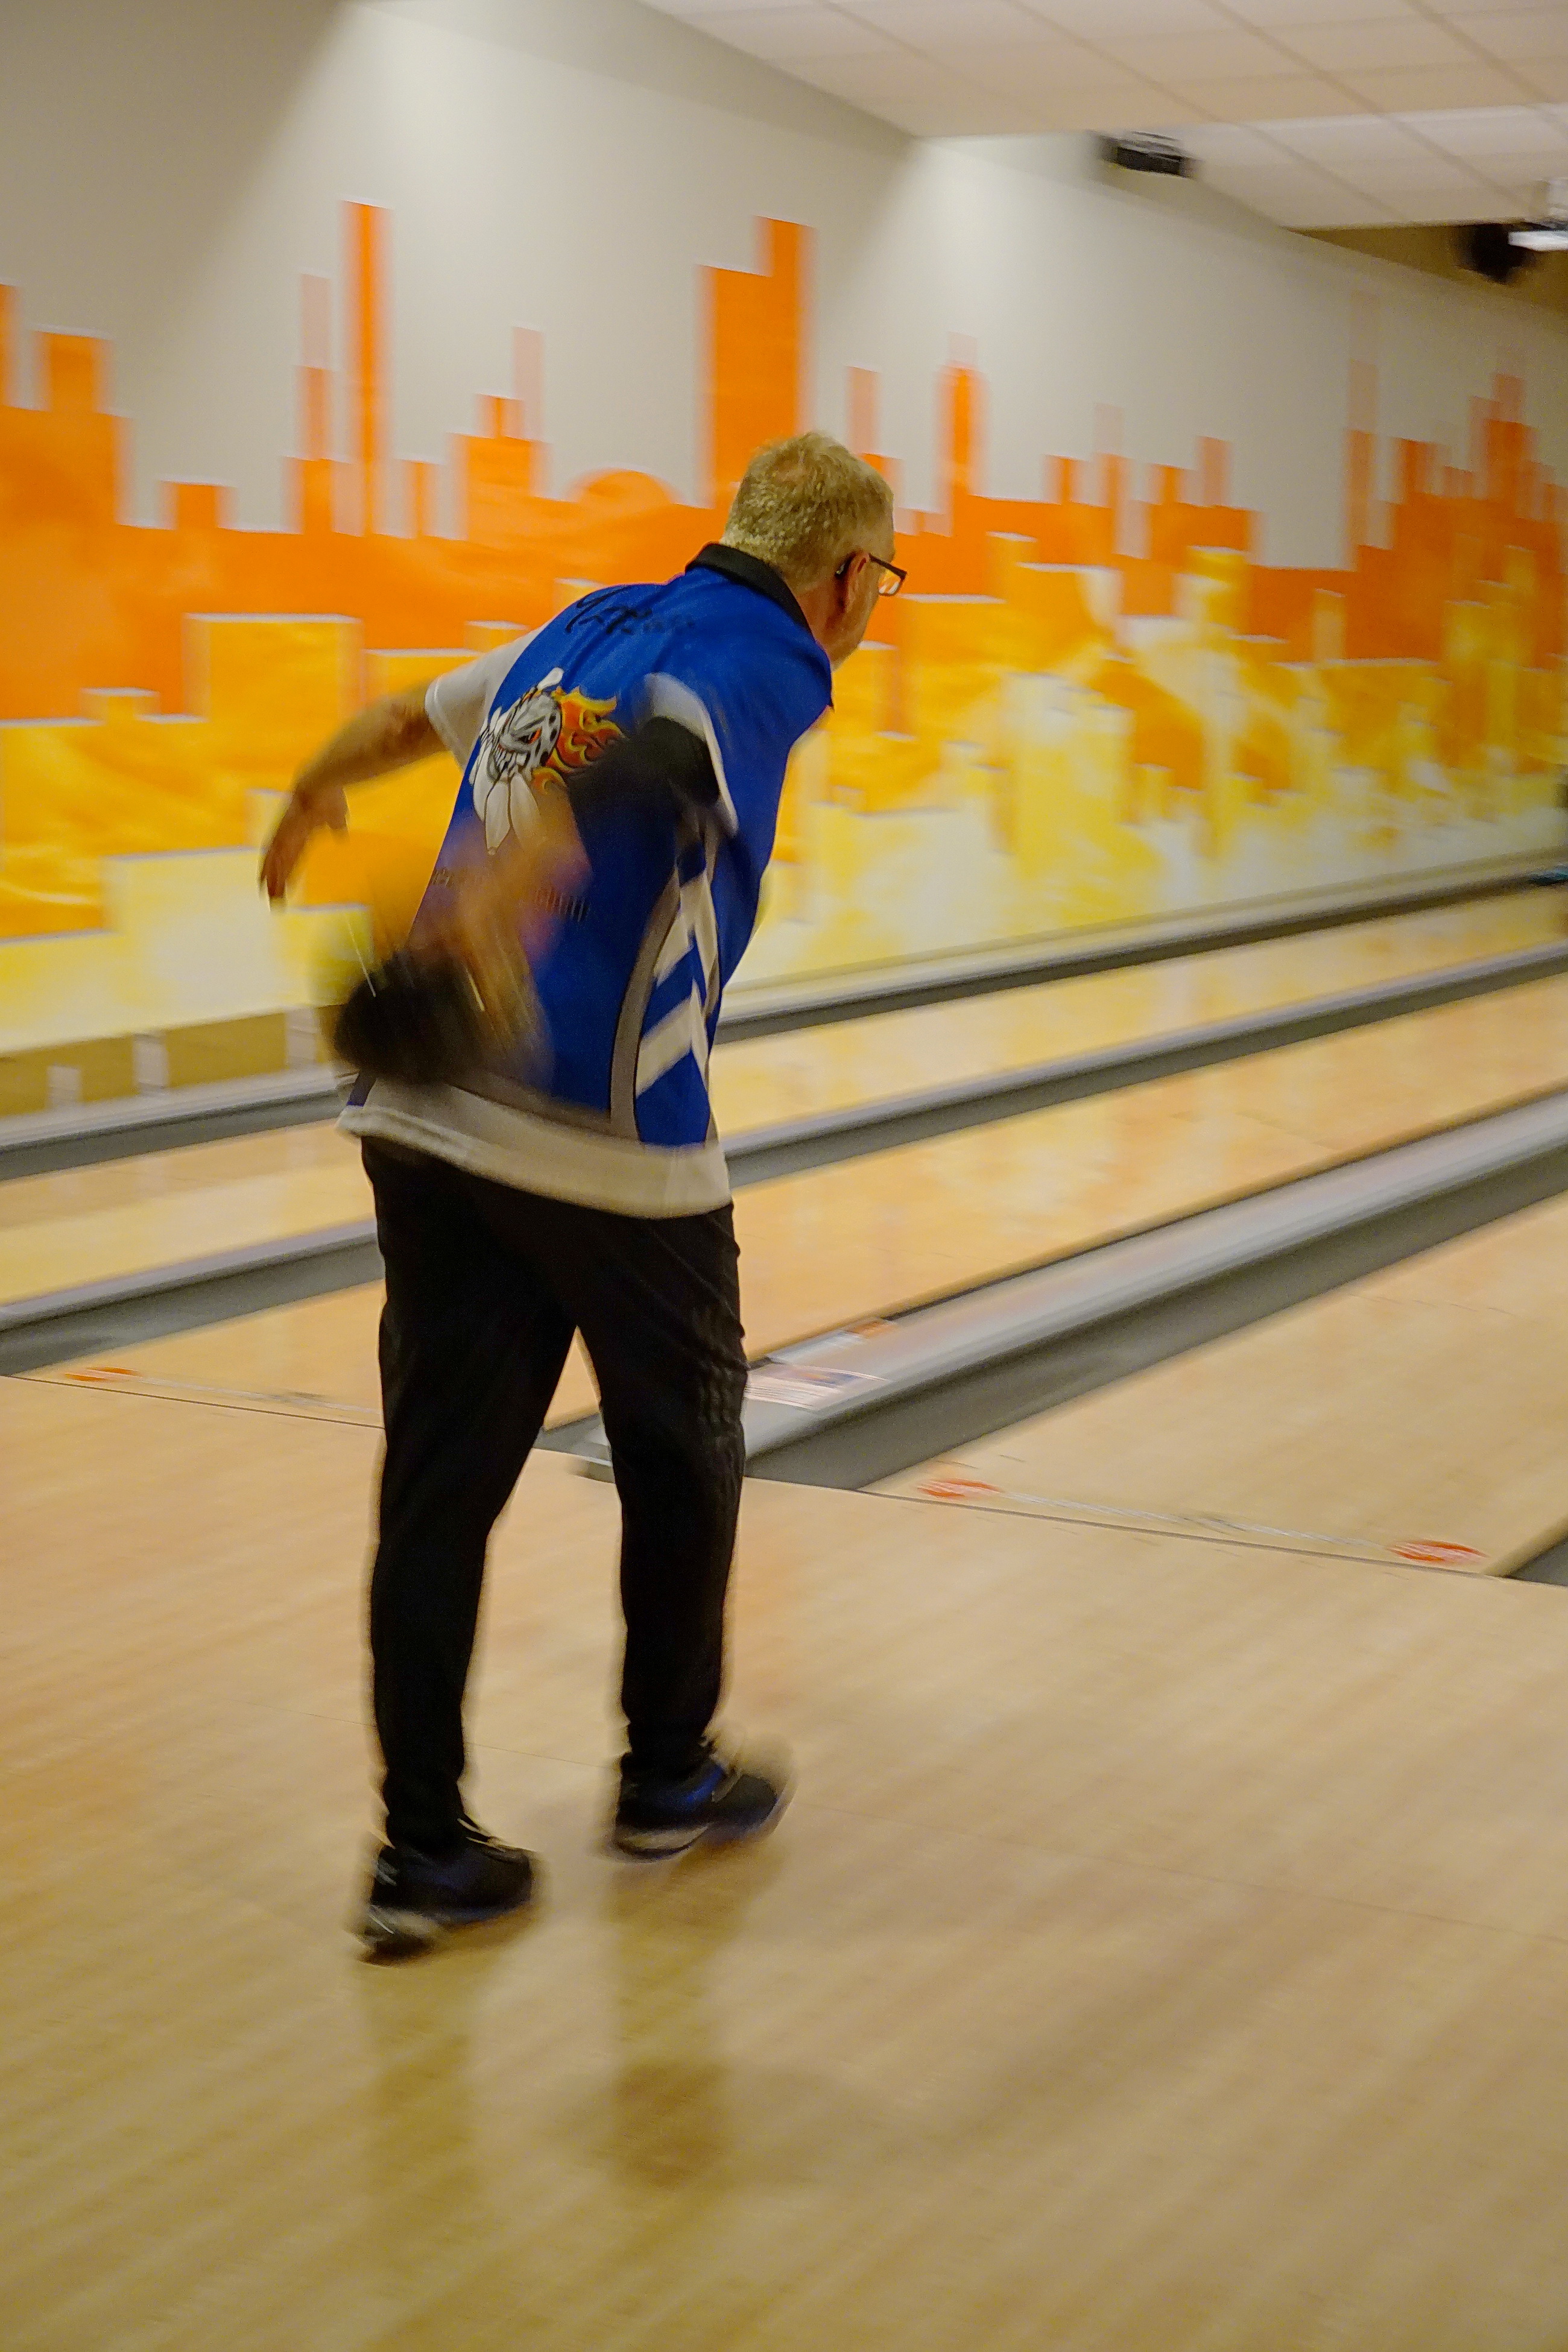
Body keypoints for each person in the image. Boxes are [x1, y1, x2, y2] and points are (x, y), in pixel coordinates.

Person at [261, 431, 902, 1956]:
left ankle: (421, 1855)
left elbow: (406, 721)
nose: (872, 611)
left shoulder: (586, 623)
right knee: (684, 1454)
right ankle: (666, 1776)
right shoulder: (766, 654)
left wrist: (310, 789)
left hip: (427, 1115)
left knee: (438, 1488)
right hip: (609, 1137)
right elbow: (662, 765)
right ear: (841, 579)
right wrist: (508, 889)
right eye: (882, 583)